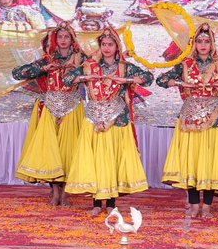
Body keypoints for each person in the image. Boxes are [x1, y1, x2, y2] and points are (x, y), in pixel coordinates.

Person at [158, 23, 218, 218]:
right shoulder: (185, 64)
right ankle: (193, 205)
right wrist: (173, 82)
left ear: (212, 43)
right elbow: (161, 80)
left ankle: (207, 206)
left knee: (210, 162)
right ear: (194, 44)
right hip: (190, 117)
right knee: (193, 162)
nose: (203, 45)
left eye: (207, 41)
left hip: (214, 118)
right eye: (199, 41)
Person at [65, 26, 153, 214]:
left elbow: (148, 77)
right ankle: (97, 205)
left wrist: (127, 81)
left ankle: (111, 204)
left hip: (116, 118)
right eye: (103, 44)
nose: (106, 48)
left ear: (116, 47)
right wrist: (85, 76)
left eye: (110, 44)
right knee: (96, 160)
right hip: (94, 118)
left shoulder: (124, 67)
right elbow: (68, 79)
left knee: (112, 160)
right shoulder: (90, 66)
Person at [11, 22, 86, 205]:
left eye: (66, 37)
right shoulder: (48, 59)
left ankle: (65, 193)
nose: (63, 40)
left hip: (73, 106)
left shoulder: (81, 58)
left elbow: (95, 72)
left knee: (69, 151)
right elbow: (17, 73)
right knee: (51, 151)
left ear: (72, 39)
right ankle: (54, 193)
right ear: (55, 39)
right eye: (59, 37)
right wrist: (44, 69)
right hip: (51, 106)